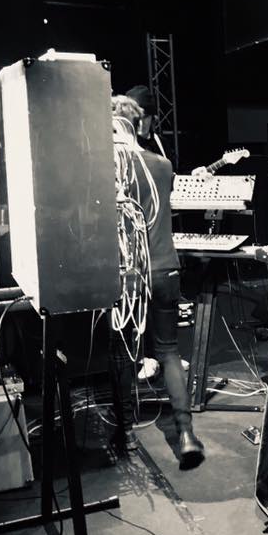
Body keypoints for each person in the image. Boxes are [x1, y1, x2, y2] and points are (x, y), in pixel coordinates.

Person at [109, 95, 205, 468]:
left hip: (127, 273)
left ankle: (125, 434)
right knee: (168, 351)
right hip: (166, 270)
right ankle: (186, 435)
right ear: (138, 125)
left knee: (123, 352)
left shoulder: (107, 169)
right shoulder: (163, 166)